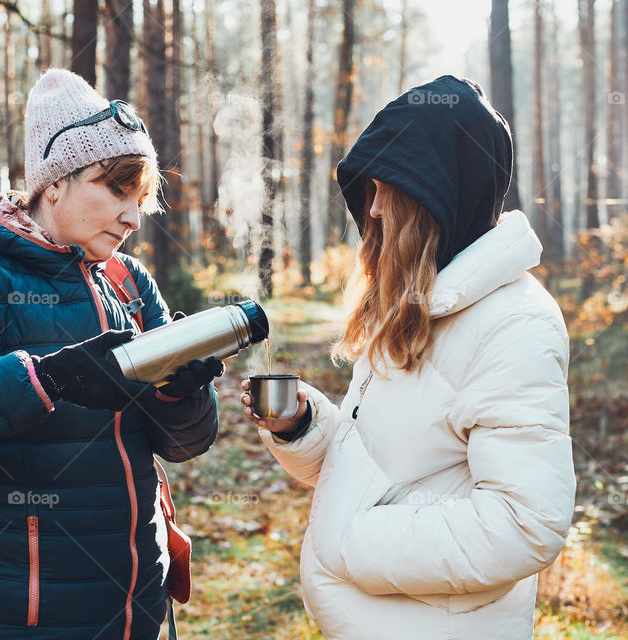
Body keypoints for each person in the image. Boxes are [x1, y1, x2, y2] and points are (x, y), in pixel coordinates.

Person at [0, 68, 222, 640]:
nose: (133, 219)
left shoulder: (130, 282)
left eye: (140, 199)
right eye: (116, 190)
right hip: (14, 612)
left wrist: (181, 394)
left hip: (137, 604)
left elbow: (184, 446)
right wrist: (46, 379)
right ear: (54, 183)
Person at [240, 75, 576, 639]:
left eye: (384, 190)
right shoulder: (416, 307)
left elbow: (525, 525)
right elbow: (382, 463)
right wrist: (302, 426)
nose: (370, 211)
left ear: (438, 195)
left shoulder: (514, 323)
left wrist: (349, 540)